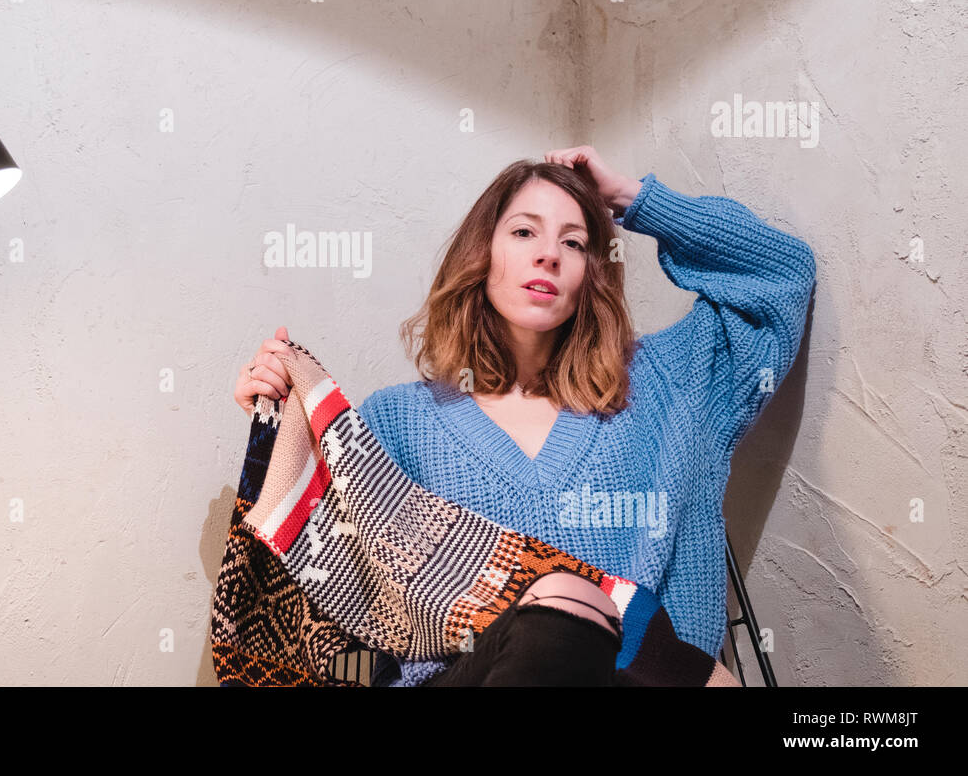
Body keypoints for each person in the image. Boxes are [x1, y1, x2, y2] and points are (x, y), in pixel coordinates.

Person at [232, 146, 816, 686]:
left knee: (571, 605)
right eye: (524, 231)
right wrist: (278, 417)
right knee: (560, 601)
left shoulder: (669, 384)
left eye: (574, 242)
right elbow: (321, 589)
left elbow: (781, 276)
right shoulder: (398, 423)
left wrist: (632, 199)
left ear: (593, 271)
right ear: (482, 255)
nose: (548, 254)